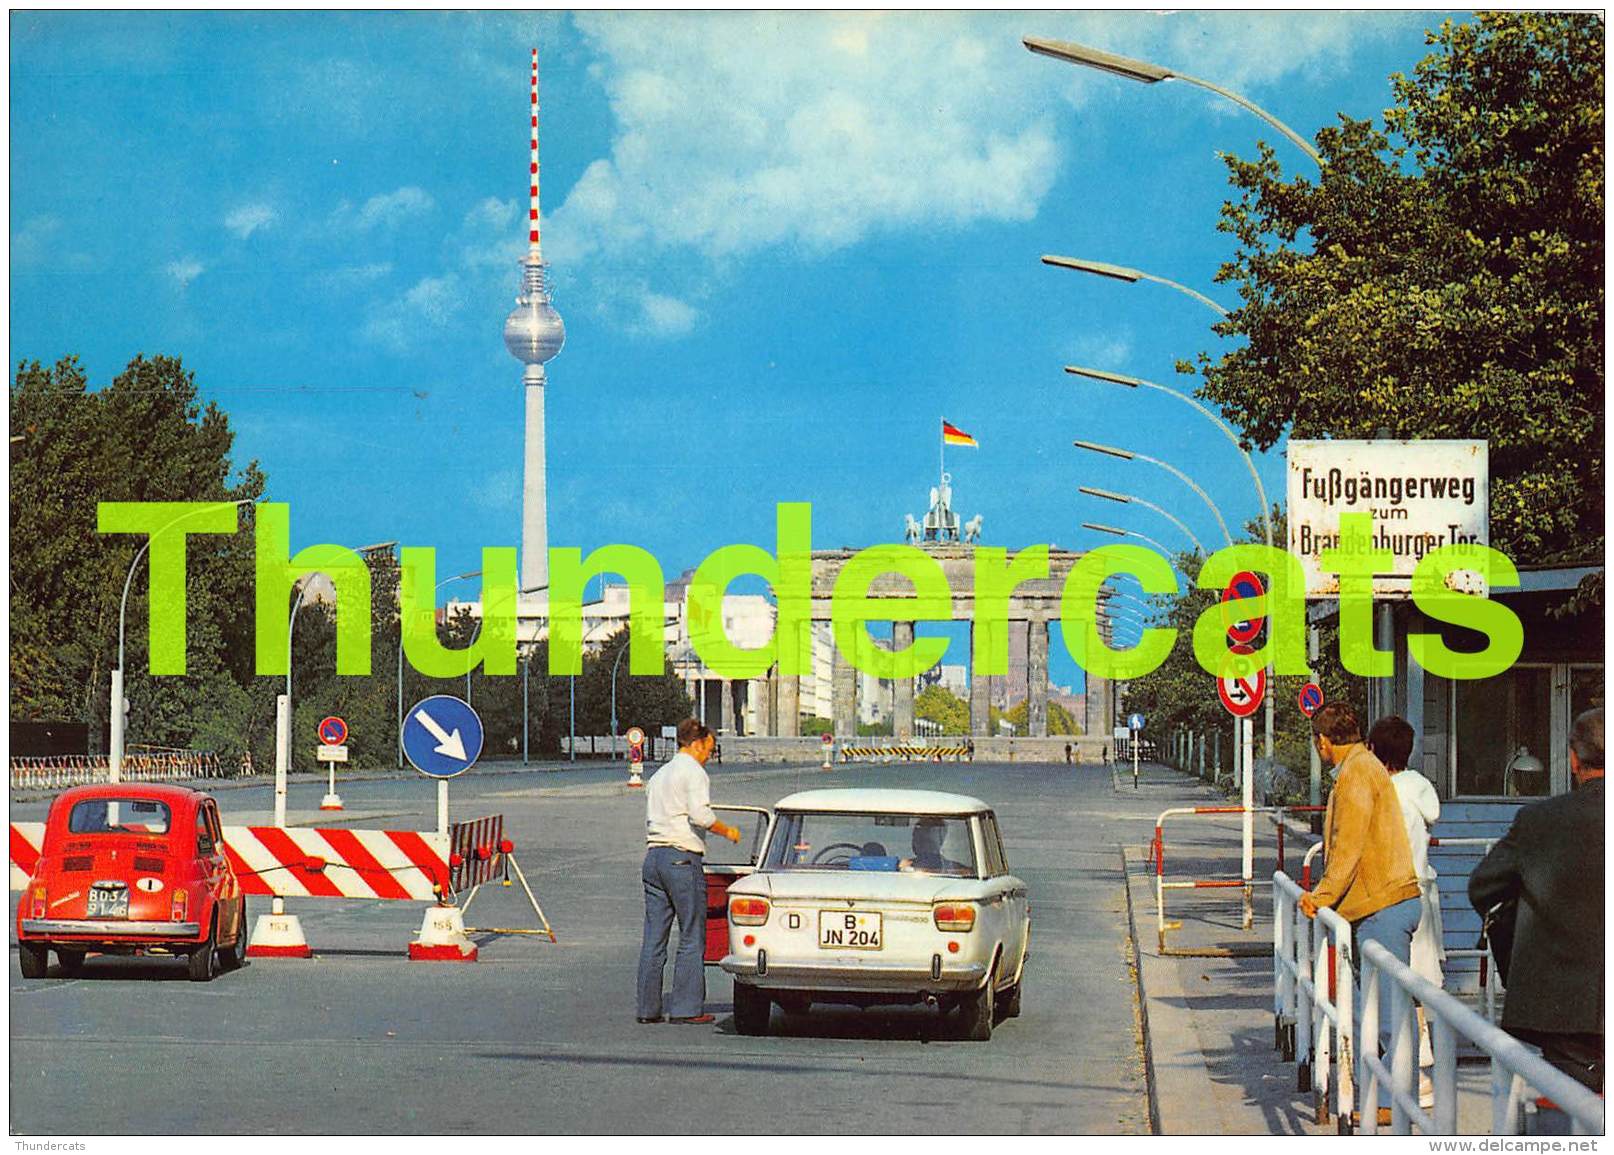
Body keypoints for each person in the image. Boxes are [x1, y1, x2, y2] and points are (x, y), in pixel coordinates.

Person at [1469, 707, 1604, 1096]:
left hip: (1563, 1008)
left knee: (1572, 1113)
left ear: (1574, 758)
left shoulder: (1538, 819)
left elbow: (1483, 888)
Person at [1300, 702, 1422, 1079]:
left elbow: (1347, 847)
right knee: (1380, 1010)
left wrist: (1320, 897)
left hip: (1381, 904)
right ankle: (1382, 1093)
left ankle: (1393, 1096)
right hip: (1383, 902)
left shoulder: (1355, 774)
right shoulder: (1362, 766)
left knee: (1388, 1016)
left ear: (1323, 742)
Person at [636, 718, 741, 1025]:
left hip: (653, 858)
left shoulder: (660, 774)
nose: (709, 754)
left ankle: (647, 1008)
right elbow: (701, 816)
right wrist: (728, 831)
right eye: (709, 748)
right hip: (681, 858)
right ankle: (686, 1008)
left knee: (654, 937)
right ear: (695, 744)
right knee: (693, 934)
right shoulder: (694, 772)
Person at [1370, 714, 1444, 1108]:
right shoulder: (1421, 789)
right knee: (1415, 986)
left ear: (1373, 750)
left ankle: (1407, 1073)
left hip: (1391, 895)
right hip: (1423, 893)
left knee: (1391, 986)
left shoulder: (1380, 791)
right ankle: (1422, 1071)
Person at [899, 817, 968, 874]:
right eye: (918, 838)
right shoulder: (900, 870)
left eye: (926, 840)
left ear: (941, 840)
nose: (922, 844)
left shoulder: (960, 872)